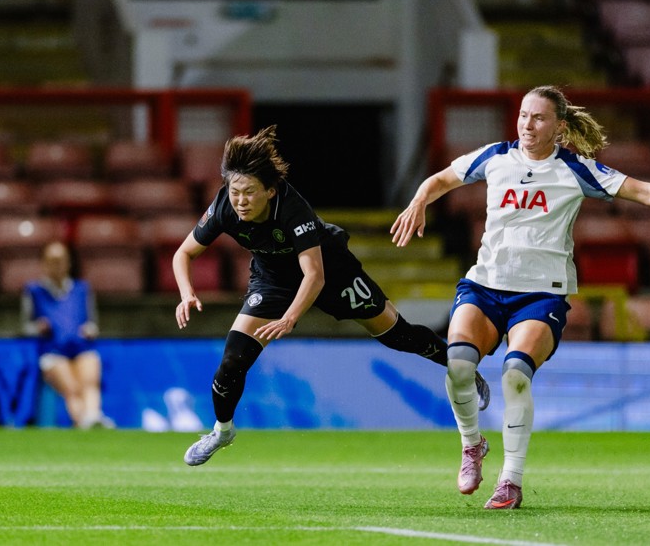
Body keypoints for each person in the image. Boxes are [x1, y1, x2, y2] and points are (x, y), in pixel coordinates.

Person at [390, 85, 650, 510]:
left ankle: (510, 482)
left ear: (559, 126)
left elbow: (638, 189)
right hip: (484, 286)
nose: (527, 124)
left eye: (538, 118)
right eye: (522, 115)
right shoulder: (495, 157)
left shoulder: (574, 170)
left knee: (516, 373)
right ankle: (472, 445)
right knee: (459, 365)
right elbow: (444, 177)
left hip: (540, 295)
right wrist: (420, 199)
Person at [173, 125, 490, 466]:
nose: (240, 201)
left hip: (334, 274)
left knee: (398, 335)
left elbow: (315, 275)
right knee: (232, 361)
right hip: (273, 282)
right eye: (235, 192)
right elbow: (183, 254)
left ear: (270, 190)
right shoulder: (224, 206)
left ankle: (462, 369)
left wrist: (290, 317)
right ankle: (222, 431)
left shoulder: (293, 209)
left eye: (249, 192)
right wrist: (186, 292)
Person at [21, 241, 113, 429]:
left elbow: (92, 322)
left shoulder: (82, 289)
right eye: (53, 261)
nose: (57, 265)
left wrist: (90, 330)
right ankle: (84, 422)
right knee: (71, 388)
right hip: (52, 352)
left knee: (89, 381)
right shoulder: (34, 291)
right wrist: (38, 328)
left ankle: (93, 416)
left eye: (61, 260)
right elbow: (25, 327)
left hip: (81, 348)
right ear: (44, 264)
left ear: (68, 263)